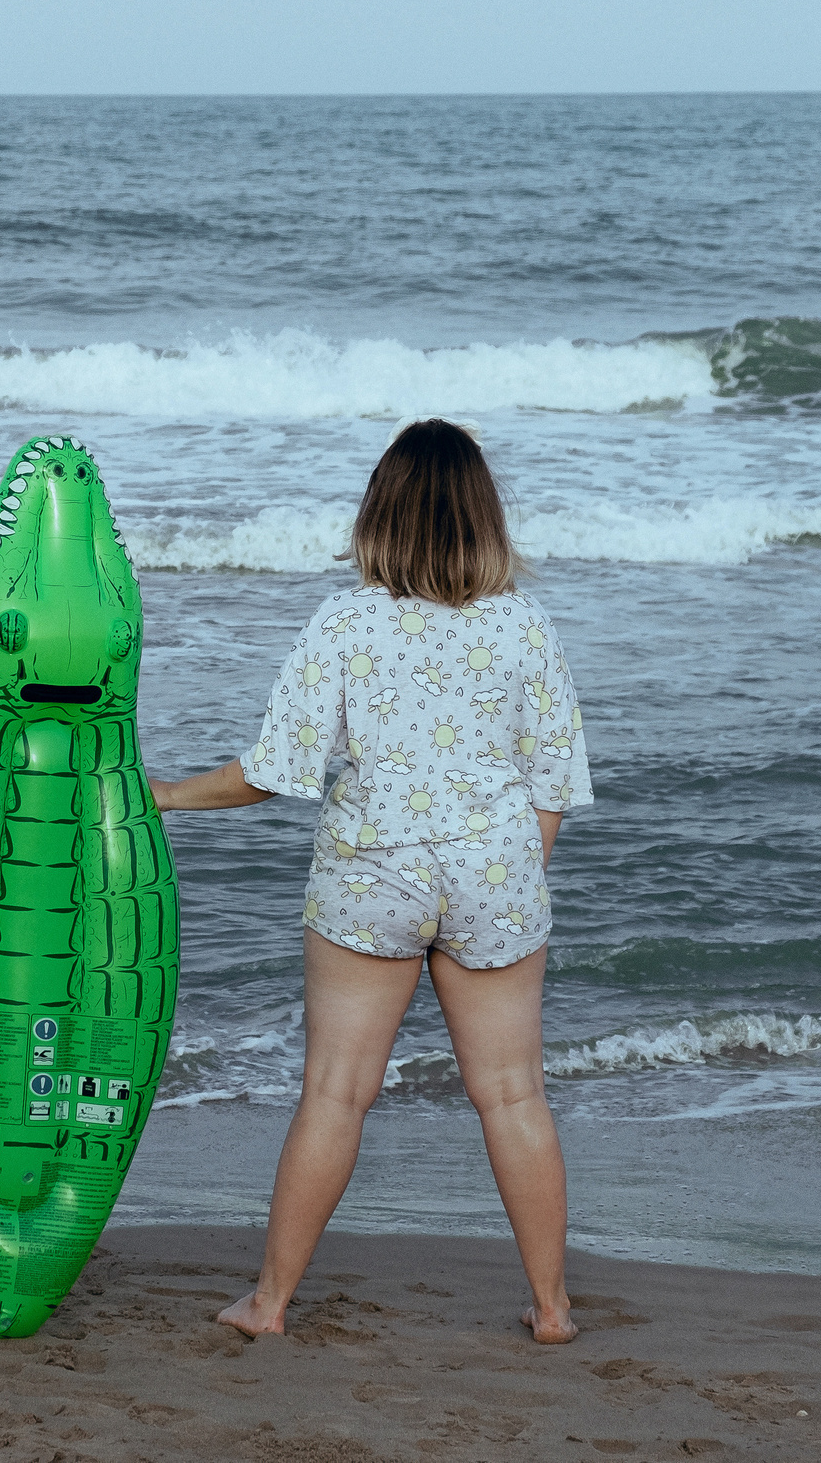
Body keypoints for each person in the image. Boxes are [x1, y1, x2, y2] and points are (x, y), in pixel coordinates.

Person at [150, 418, 592, 1344]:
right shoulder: (524, 623)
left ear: (378, 513)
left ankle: (269, 1303)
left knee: (336, 1091)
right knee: (513, 1094)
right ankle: (551, 1308)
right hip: (496, 874)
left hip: (371, 873)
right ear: (485, 517)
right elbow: (552, 784)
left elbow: (269, 772)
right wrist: (505, 879)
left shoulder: (345, 621)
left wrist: (165, 796)